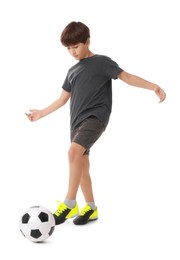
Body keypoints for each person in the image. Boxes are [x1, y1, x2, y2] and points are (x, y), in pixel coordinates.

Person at [26, 21, 166, 225]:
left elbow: (126, 76)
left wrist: (153, 86)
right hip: (76, 122)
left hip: (96, 118)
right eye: (68, 48)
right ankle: (91, 208)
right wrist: (41, 113)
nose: (73, 52)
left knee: (73, 152)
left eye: (76, 46)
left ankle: (69, 202)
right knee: (81, 164)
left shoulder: (102, 62)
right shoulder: (72, 71)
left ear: (87, 41)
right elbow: (62, 100)